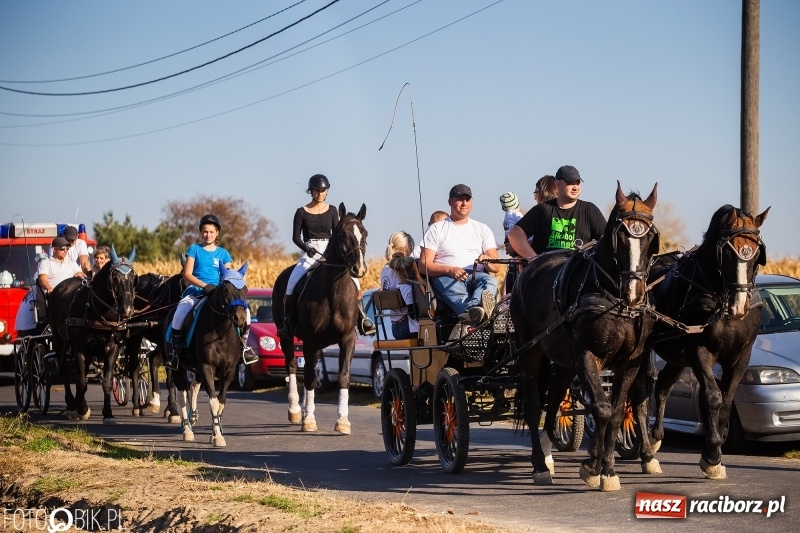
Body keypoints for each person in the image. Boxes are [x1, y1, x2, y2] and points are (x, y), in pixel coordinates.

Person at [277, 174, 375, 337]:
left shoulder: (332, 210)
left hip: (330, 249)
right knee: (291, 283)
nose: (320, 193)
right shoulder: (301, 212)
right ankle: (287, 321)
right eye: (317, 190)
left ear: (327, 191)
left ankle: (363, 318)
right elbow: (295, 237)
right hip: (310, 250)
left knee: (355, 282)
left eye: (323, 191)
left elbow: (338, 233)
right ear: (311, 191)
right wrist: (306, 248)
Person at [167, 214, 257, 369]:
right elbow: (187, 274)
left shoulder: (224, 254)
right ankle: (175, 353)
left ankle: (243, 347)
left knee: (246, 314)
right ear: (201, 233)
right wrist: (204, 286)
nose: (207, 235)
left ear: (217, 234)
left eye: (211, 232)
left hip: (219, 293)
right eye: (204, 231)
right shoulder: (194, 249)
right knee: (179, 314)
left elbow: (228, 276)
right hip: (196, 291)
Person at [420, 184, 500, 324]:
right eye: (459, 199)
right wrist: (450, 270)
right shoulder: (436, 229)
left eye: (467, 199)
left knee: (490, 281)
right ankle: (475, 312)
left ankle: (474, 310)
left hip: (476, 275)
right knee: (459, 293)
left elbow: (496, 267)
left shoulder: (482, 229)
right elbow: (423, 265)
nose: (464, 203)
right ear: (450, 202)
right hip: (446, 277)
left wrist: (487, 261)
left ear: (472, 202)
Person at [507, 165, 606, 262]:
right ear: (558, 184)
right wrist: (535, 260)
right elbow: (515, 234)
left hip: (578, 272)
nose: (575, 187)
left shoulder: (589, 210)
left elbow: (606, 239)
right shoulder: (543, 209)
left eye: (578, 183)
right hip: (547, 273)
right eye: (570, 183)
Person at [15, 236, 84, 337]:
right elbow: (43, 279)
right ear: (54, 249)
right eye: (62, 248)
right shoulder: (46, 263)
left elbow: (80, 274)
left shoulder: (72, 263)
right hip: (55, 296)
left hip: (71, 295)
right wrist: (48, 287)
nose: (65, 251)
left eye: (67, 249)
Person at [380, 231, 418, 340]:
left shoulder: (385, 270)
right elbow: (407, 294)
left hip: (394, 327)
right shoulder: (402, 270)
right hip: (407, 327)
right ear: (407, 248)